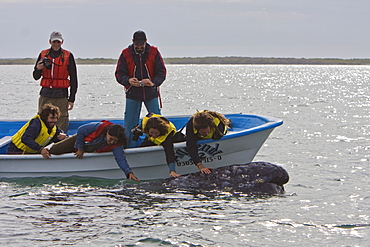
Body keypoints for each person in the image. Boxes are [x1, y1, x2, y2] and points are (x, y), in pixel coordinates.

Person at [115, 30, 166, 148]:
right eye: (137, 44)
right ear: (132, 42)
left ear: (146, 42)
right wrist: (128, 80)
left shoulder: (154, 52)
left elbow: (162, 73)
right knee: (129, 124)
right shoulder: (125, 53)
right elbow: (119, 74)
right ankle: (130, 149)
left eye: (141, 44)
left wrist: (153, 83)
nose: (139, 47)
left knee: (158, 122)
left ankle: (159, 146)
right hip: (132, 94)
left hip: (151, 93)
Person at [49, 121, 140, 182]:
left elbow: (120, 159)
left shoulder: (116, 145)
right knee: (54, 150)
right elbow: (81, 130)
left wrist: (129, 172)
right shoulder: (99, 127)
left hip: (90, 147)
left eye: (115, 141)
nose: (112, 142)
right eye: (111, 139)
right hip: (79, 141)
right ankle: (42, 149)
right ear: (107, 132)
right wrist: (80, 148)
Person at [33, 30, 78, 132]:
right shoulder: (43, 54)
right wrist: (38, 68)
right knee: (42, 119)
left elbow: (74, 79)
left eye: (58, 42)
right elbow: (36, 76)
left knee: (61, 119)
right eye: (54, 42)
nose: (56, 44)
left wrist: (72, 99)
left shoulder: (68, 56)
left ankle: (59, 142)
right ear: (50, 42)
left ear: (62, 42)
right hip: (45, 94)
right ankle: (42, 142)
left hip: (61, 95)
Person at [134, 113, 184, 178]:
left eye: (156, 133)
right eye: (151, 132)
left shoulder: (167, 134)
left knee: (171, 144)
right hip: (150, 135)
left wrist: (172, 170)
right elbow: (144, 121)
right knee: (143, 145)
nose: (154, 135)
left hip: (170, 138)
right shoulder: (145, 124)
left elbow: (170, 153)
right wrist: (138, 129)